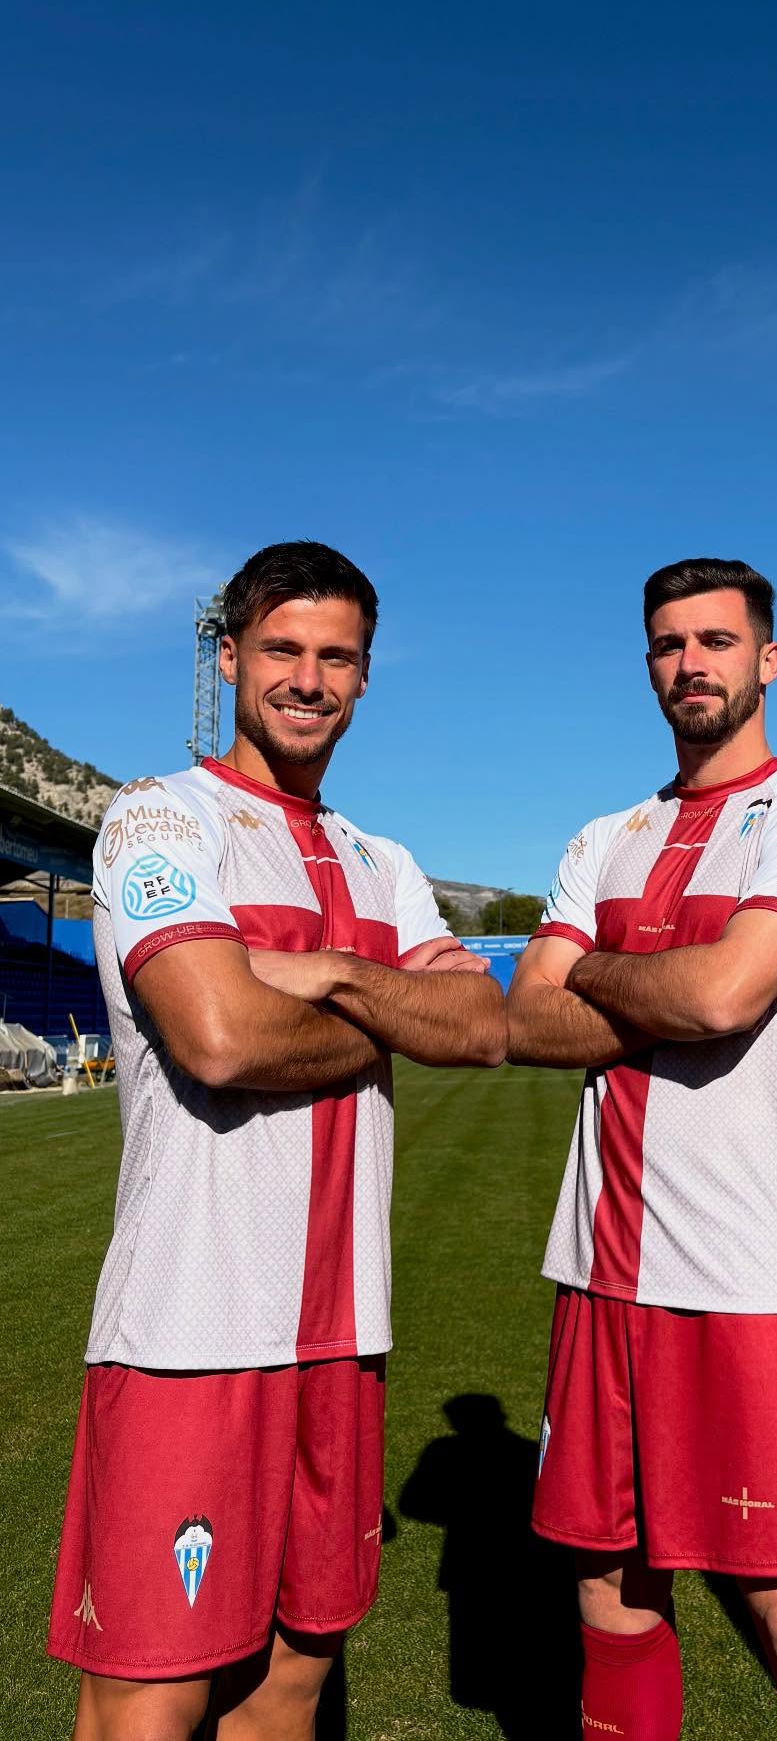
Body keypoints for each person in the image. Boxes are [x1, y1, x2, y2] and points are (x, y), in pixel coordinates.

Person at [48, 541, 506, 1741]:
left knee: (288, 1692)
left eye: (336, 657)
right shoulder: (159, 819)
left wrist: (319, 970)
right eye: (284, 650)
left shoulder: (384, 863)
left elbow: (477, 1026)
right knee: (145, 1707)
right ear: (232, 654)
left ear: (365, 677)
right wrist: (381, 1011)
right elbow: (218, 1037)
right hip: (189, 1330)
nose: (309, 679)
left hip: (344, 1333)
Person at [507, 557, 777, 1741]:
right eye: (670, 645)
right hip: (599, 1272)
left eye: (716, 641)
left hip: (744, 1274)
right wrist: (641, 985)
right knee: (610, 1595)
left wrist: (602, 974)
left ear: (766, 659)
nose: (692, 664)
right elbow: (528, 1014)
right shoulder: (605, 836)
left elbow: (727, 993)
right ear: (648, 667)